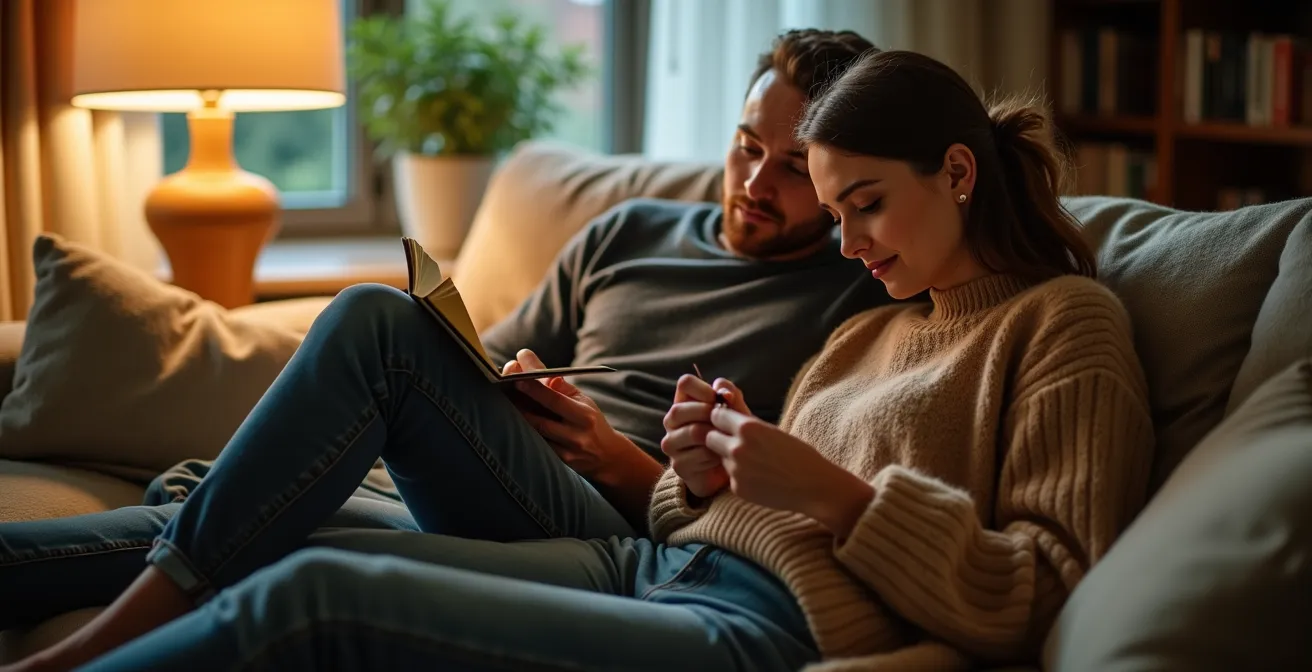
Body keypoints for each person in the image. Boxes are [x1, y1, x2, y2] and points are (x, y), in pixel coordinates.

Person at [0, 47, 1158, 671]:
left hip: (759, 620)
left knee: (312, 590)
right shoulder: (872, 325)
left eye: (860, 204)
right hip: (665, 562)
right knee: (290, 539)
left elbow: (1041, 594)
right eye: (834, 204)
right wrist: (699, 469)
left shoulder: (1062, 326)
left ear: (957, 173)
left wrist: (828, 494)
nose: (849, 242)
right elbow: (725, 511)